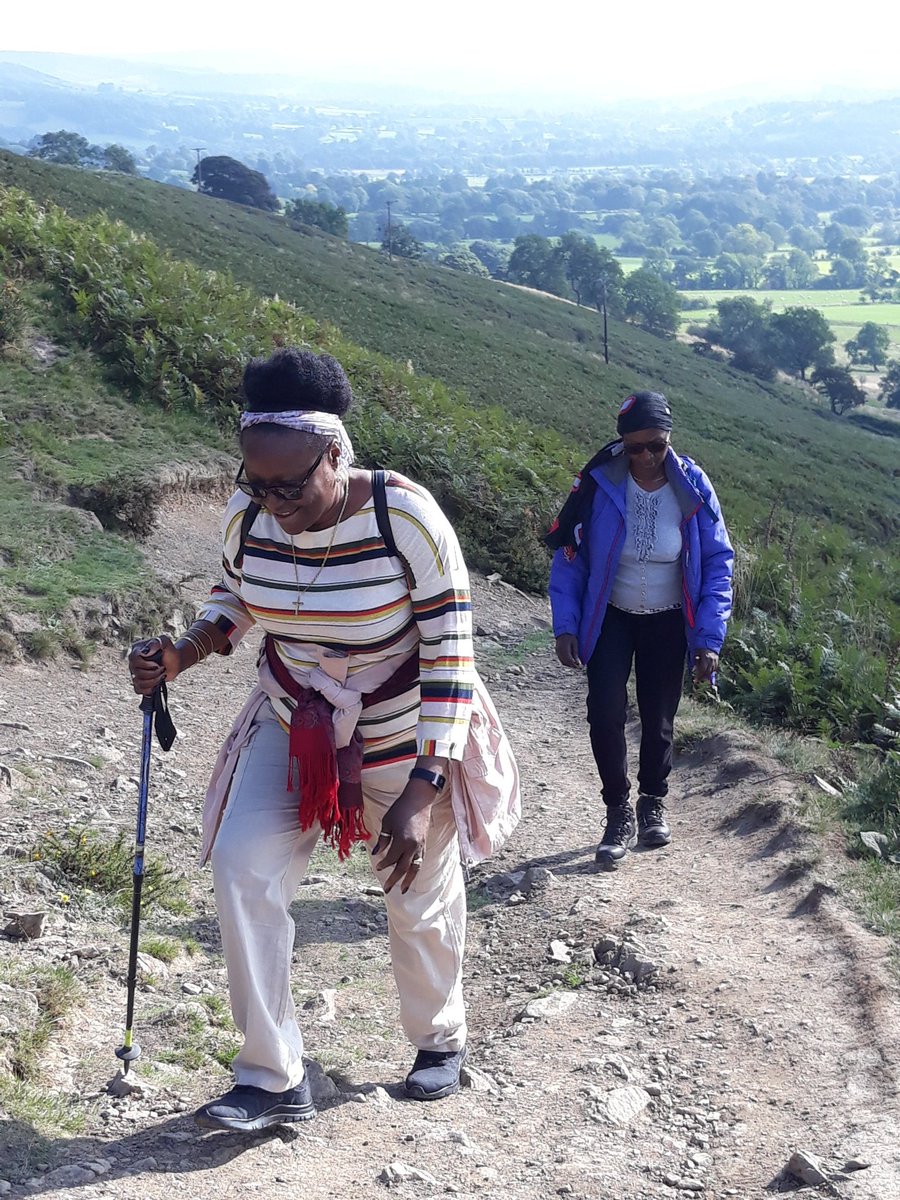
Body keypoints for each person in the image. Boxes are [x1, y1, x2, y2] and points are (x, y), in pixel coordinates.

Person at [129, 348, 477, 1132]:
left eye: (293, 483)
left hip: (404, 735)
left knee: (416, 895)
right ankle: (273, 1075)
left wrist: (422, 794)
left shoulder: (405, 515)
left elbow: (453, 654)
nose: (276, 500)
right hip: (294, 724)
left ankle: (438, 1041)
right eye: (259, 481)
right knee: (240, 864)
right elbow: (233, 593)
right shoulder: (248, 514)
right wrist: (180, 653)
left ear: (335, 453)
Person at [546, 390, 733, 868]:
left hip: (669, 618)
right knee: (604, 711)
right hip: (611, 615)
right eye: (635, 448)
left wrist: (709, 638)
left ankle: (652, 801)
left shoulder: (692, 486)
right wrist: (565, 625)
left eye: (658, 446)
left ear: (670, 440)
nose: (647, 457)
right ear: (622, 445)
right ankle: (617, 812)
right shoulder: (599, 484)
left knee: (659, 716)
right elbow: (571, 558)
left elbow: (717, 563)